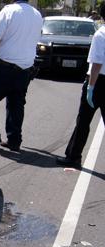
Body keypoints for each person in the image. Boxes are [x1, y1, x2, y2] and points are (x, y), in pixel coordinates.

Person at [0, 0, 42, 152]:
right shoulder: (37, 14)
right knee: (16, 103)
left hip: (4, 66)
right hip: (25, 67)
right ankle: (14, 140)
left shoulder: (9, 10)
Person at [56, 4, 105, 167]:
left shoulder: (101, 34)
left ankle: (73, 156)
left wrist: (91, 88)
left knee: (83, 121)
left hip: (98, 82)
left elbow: (97, 63)